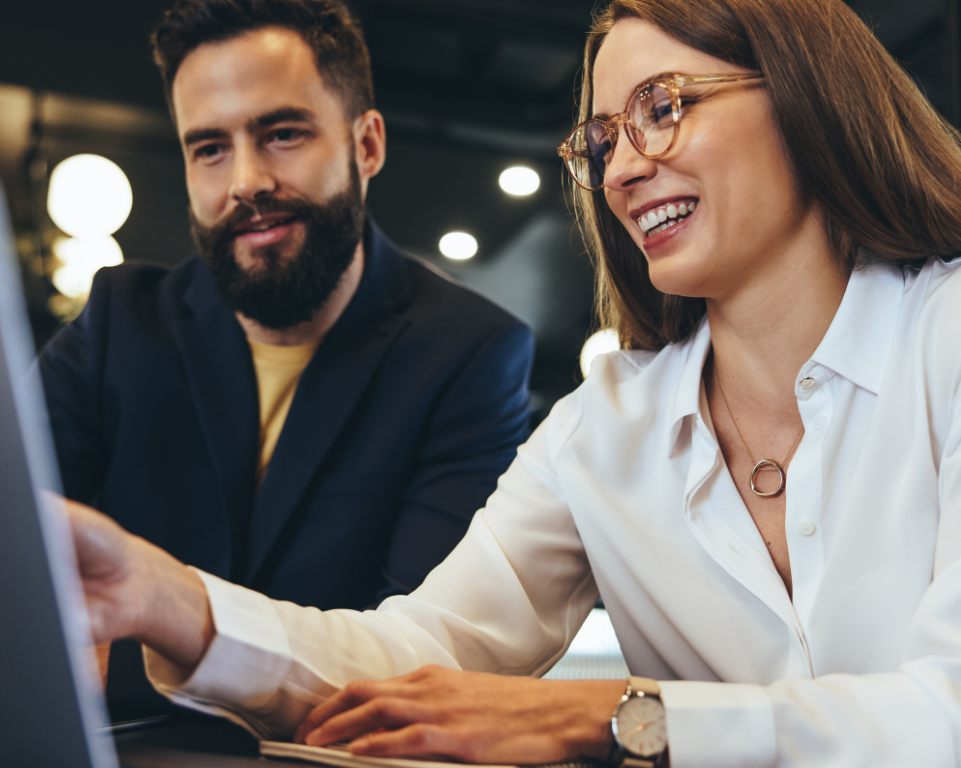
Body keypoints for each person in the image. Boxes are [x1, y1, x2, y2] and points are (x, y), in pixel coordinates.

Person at [61, 0, 961, 764]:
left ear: (806, 93)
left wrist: (622, 717)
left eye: (664, 106)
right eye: (602, 139)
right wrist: (168, 601)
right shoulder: (601, 427)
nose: (625, 166)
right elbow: (418, 654)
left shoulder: (945, 337)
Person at [38, 0, 533, 712]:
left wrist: (110, 663)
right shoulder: (119, 321)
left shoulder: (470, 353)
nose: (245, 180)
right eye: (209, 148)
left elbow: (416, 670)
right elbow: (2, 557)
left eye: (282, 134)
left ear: (367, 146)